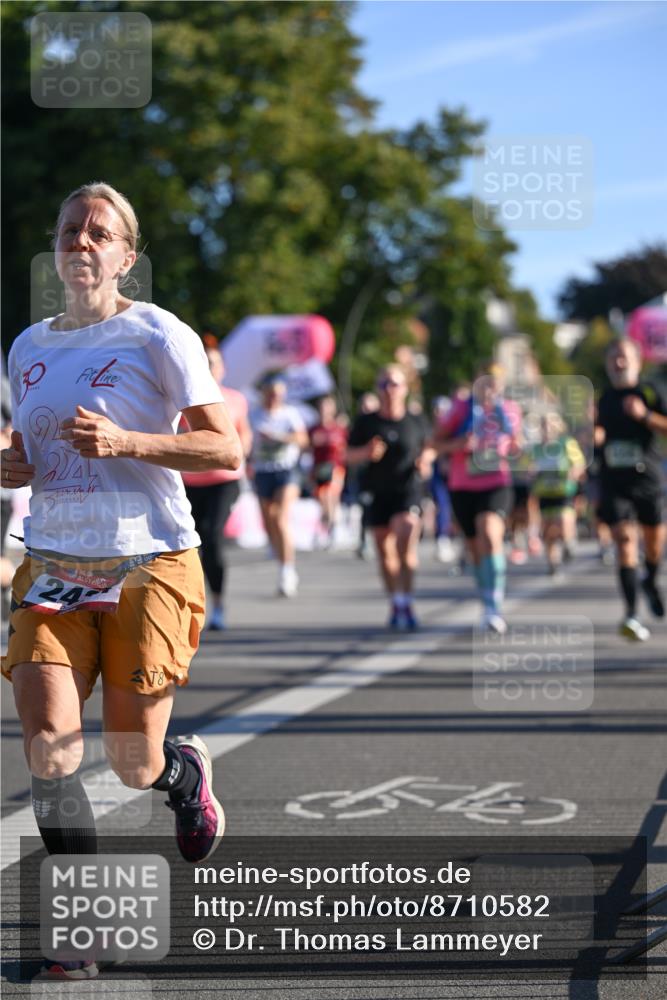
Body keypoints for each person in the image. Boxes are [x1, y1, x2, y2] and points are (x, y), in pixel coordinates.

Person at [0, 182, 243, 979]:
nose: (81, 241)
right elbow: (27, 451)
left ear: (125, 257)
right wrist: (11, 465)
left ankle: (182, 771)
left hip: (148, 560)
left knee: (133, 762)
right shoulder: (27, 347)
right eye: (70, 229)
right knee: (48, 745)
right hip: (52, 564)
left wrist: (129, 441)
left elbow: (224, 449)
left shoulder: (159, 334)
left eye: (98, 232)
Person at [435, 363, 522, 634]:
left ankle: (495, 604)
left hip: (496, 482)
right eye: (485, 381)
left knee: (490, 532)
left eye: (495, 382)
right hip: (463, 485)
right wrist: (459, 445)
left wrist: (517, 450)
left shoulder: (509, 410)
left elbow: (517, 446)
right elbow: (435, 443)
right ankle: (486, 600)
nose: (490, 387)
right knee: (474, 548)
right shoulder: (460, 409)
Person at [346, 364, 433, 629]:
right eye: (384, 384)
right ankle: (396, 601)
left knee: (405, 536)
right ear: (378, 389)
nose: (389, 390)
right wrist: (365, 453)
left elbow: (429, 448)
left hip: (407, 490)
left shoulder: (415, 421)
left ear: (404, 389)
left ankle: (407, 599)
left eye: (394, 384)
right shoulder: (367, 422)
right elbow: (346, 455)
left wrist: (425, 461)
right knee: (385, 552)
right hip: (377, 491)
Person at [595, 337, 667, 641]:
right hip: (615, 481)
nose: (618, 363)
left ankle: (650, 578)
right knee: (625, 541)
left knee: (654, 543)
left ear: (638, 361)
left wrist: (645, 415)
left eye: (624, 357)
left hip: (648, 478)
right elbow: (599, 432)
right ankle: (632, 614)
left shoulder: (650, 391)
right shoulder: (604, 398)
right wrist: (595, 435)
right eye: (613, 357)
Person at [182, 337, 252, 630]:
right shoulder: (183, 397)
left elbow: (243, 436)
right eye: (205, 362)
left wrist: (235, 453)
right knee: (187, 545)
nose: (210, 368)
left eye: (214, 363)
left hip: (224, 480)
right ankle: (189, 605)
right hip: (189, 481)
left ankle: (219, 604)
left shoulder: (235, 399)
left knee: (211, 537)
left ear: (222, 368)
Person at [248, 372, 308, 596]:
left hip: (287, 469)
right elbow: (246, 440)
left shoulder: (290, 414)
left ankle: (287, 571)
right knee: (269, 520)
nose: (275, 397)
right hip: (263, 470)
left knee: (281, 518)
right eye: (271, 393)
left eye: (279, 394)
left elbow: (303, 439)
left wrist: (280, 437)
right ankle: (278, 550)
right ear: (264, 393)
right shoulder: (254, 414)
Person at [530, 412, 586, 574]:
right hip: (544, 492)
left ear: (558, 426)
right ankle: (552, 563)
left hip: (563, 491)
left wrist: (573, 472)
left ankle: (569, 543)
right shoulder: (537, 448)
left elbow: (579, 463)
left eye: (551, 423)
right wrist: (530, 471)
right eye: (544, 424)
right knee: (548, 530)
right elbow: (529, 466)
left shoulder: (566, 443)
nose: (547, 428)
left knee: (564, 521)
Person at [308, 394, 348, 548]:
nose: (325, 409)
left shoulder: (339, 428)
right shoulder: (314, 429)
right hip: (319, 468)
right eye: (322, 406)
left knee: (330, 496)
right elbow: (306, 447)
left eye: (328, 406)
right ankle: (327, 527)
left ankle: (333, 529)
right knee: (322, 499)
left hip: (335, 468)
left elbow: (345, 448)